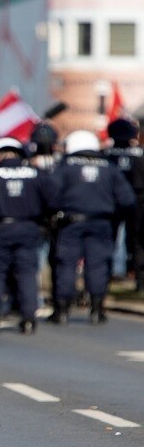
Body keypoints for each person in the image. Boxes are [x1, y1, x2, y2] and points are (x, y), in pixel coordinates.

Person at [0, 138, 57, 334]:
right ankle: (29, 318)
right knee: (27, 273)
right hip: (29, 227)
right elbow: (52, 199)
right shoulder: (36, 173)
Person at [49, 130, 135, 324]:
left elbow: (50, 193)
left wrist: (54, 213)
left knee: (66, 264)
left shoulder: (66, 166)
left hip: (70, 222)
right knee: (98, 265)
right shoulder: (109, 167)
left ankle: (62, 310)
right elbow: (127, 199)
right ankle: (97, 309)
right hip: (101, 222)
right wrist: (113, 213)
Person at [102, 118, 144, 292]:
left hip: (111, 201)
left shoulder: (106, 155)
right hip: (138, 200)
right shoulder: (140, 154)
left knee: (108, 239)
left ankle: (104, 277)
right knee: (138, 240)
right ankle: (140, 280)